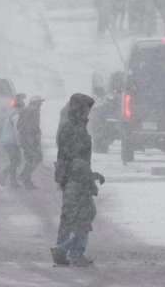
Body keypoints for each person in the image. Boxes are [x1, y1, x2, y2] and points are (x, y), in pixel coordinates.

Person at [53, 92, 96, 263]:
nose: (88, 113)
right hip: (76, 177)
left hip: (74, 176)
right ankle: (72, 252)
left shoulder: (74, 125)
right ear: (79, 109)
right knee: (82, 215)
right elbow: (75, 156)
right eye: (86, 109)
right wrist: (88, 176)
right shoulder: (72, 127)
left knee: (74, 215)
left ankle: (63, 250)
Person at [54, 157, 104, 266]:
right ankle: (71, 254)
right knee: (81, 233)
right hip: (80, 213)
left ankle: (63, 250)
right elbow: (90, 187)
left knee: (79, 233)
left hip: (79, 212)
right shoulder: (78, 182)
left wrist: (95, 176)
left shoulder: (74, 180)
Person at [0, 93, 26, 187]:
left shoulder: (11, 113)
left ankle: (13, 182)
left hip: (7, 140)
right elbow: (17, 131)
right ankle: (3, 174)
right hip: (11, 142)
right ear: (21, 107)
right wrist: (20, 143)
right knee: (17, 161)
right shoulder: (17, 115)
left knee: (14, 160)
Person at [17, 95, 45, 188]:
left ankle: (27, 181)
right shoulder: (34, 111)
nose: (41, 104)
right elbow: (33, 126)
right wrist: (33, 139)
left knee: (30, 159)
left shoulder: (25, 110)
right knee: (36, 158)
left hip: (24, 138)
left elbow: (19, 125)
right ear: (35, 103)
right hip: (30, 139)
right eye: (40, 102)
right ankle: (24, 176)